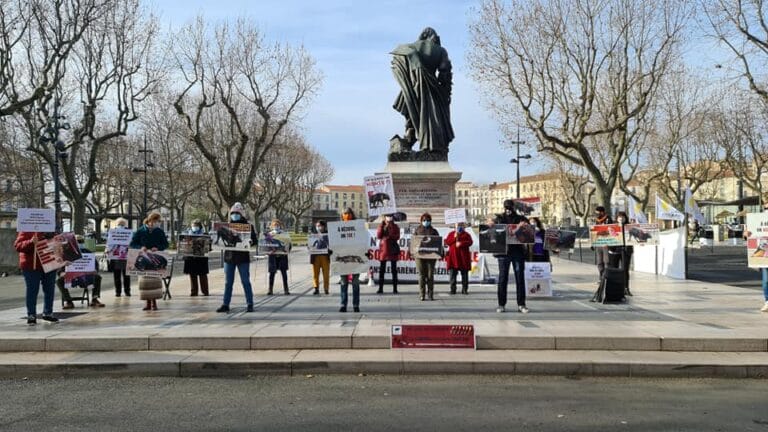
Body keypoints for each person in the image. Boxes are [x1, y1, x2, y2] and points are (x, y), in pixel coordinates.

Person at [390, 27, 454, 158]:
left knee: (413, 114)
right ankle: (432, 148)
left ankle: (409, 137)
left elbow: (399, 60)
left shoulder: (410, 47)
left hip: (411, 89)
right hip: (431, 90)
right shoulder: (440, 50)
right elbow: (444, 73)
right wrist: (445, 93)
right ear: (435, 38)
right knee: (431, 119)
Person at [217, 203, 257, 313]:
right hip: (229, 257)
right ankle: (226, 304)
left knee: (245, 281)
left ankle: (250, 303)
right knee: (228, 282)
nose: (235, 215)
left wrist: (250, 242)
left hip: (243, 258)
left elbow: (254, 241)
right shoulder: (227, 226)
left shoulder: (248, 226)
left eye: (237, 213)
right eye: (233, 213)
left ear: (241, 214)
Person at [493, 199, 530, 313]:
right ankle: (501, 304)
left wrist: (526, 225)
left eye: (509, 207)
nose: (508, 210)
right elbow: (497, 232)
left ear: (513, 207)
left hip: (517, 252)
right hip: (503, 253)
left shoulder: (520, 218)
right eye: (506, 207)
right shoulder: (499, 218)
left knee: (520, 278)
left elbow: (529, 231)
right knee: (502, 278)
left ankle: (521, 304)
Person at [15, 231, 59, 324]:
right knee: (32, 290)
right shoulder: (26, 229)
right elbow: (18, 246)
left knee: (49, 289)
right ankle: (31, 314)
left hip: (49, 262)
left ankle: (48, 313)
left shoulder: (52, 230)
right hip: (31, 265)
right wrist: (31, 242)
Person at [130, 212, 169, 311]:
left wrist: (158, 247)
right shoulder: (141, 230)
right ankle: (147, 303)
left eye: (158, 221)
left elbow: (165, 244)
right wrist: (140, 247)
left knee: (155, 282)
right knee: (145, 283)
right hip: (143, 258)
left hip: (155, 258)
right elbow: (133, 243)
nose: (156, 223)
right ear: (150, 220)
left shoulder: (159, 231)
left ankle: (154, 303)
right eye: (155, 221)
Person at [57, 235, 104, 309]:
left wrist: (95, 270)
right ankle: (68, 301)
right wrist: (61, 273)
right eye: (77, 242)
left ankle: (95, 299)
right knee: (59, 281)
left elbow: (95, 265)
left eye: (81, 241)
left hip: (86, 276)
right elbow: (60, 267)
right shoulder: (66, 253)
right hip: (71, 277)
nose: (79, 243)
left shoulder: (88, 252)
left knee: (97, 277)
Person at [338, 208, 362, 313]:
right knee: (343, 283)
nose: (346, 215)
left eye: (348, 213)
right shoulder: (337, 227)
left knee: (355, 282)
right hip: (343, 259)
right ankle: (343, 304)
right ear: (342, 215)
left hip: (355, 257)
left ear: (352, 214)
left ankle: (356, 305)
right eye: (344, 214)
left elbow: (362, 240)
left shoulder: (357, 226)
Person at [413, 212, 440, 300]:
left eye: (428, 220)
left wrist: (440, 252)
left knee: (430, 275)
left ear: (430, 221)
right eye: (424, 220)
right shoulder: (417, 230)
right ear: (421, 221)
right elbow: (414, 242)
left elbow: (438, 243)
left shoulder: (434, 231)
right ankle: (422, 294)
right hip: (420, 256)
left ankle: (430, 294)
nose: (426, 221)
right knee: (421, 275)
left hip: (431, 256)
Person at [445, 221, 473, 295]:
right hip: (453, 258)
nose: (459, 227)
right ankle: (453, 289)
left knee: (464, 275)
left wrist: (462, 243)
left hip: (463, 258)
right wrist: (454, 237)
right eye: (458, 226)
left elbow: (470, 242)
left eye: (461, 225)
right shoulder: (451, 234)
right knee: (453, 275)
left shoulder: (467, 234)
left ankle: (464, 289)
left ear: (464, 227)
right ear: (455, 227)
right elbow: (447, 242)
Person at [183, 219, 210, 296]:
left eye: (196, 226)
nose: (194, 227)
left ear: (200, 227)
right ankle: (194, 291)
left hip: (201, 258)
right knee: (192, 275)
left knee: (203, 275)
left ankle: (205, 291)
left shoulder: (204, 234)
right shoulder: (187, 234)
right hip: (190, 258)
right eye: (193, 226)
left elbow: (209, 246)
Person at [609, 211, 633, 296]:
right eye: (619, 217)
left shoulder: (629, 227)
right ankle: (613, 288)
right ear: (617, 218)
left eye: (623, 217)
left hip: (626, 251)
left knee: (625, 270)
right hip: (615, 250)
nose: (621, 219)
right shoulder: (613, 227)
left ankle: (626, 288)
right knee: (614, 269)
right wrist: (610, 248)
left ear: (625, 218)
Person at [376, 214, 401, 294]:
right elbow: (379, 235)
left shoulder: (395, 226)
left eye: (390, 216)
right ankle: (380, 288)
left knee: (394, 270)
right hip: (384, 249)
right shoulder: (382, 225)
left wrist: (390, 227)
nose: (389, 217)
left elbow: (397, 236)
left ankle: (395, 288)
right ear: (385, 217)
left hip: (392, 248)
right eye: (387, 216)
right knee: (382, 270)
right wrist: (381, 226)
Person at [266, 219, 290, 295]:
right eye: (274, 225)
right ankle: (270, 289)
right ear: (272, 226)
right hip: (273, 256)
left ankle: (286, 289)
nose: (276, 226)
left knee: (284, 272)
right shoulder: (269, 235)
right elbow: (266, 245)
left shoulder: (285, 234)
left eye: (277, 225)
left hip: (282, 255)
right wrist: (268, 250)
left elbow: (289, 243)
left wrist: (287, 250)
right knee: (272, 273)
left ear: (280, 225)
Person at [110, 218, 131, 297]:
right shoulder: (128, 232)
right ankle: (127, 291)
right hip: (125, 256)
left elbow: (109, 243)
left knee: (117, 275)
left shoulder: (113, 231)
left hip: (116, 257)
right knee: (126, 275)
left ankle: (118, 292)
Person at [593, 206, 613, 282]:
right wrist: (593, 243)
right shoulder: (596, 220)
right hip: (598, 243)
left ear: (602, 212)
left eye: (597, 212)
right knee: (599, 262)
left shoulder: (608, 219)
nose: (596, 214)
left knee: (606, 261)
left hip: (606, 243)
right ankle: (601, 277)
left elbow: (611, 229)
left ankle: (607, 277)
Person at [310, 220, 331, 295]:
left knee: (326, 273)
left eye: (319, 226)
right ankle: (316, 288)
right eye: (317, 226)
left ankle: (326, 288)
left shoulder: (328, 234)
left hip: (325, 256)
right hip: (315, 256)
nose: (318, 227)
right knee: (315, 273)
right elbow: (310, 245)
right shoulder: (313, 235)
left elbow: (330, 244)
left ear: (323, 226)